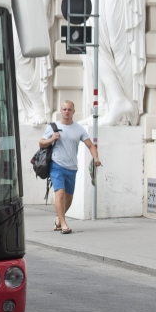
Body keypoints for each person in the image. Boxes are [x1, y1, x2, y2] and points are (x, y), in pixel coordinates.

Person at [38, 100, 102, 234]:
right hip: (56, 165)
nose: (67, 112)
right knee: (59, 193)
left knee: (69, 198)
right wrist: (51, 139)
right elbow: (41, 143)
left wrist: (96, 158)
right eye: (64, 109)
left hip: (72, 167)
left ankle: (59, 219)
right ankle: (64, 224)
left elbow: (90, 145)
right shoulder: (53, 127)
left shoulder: (79, 128)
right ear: (61, 111)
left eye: (69, 109)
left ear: (73, 112)